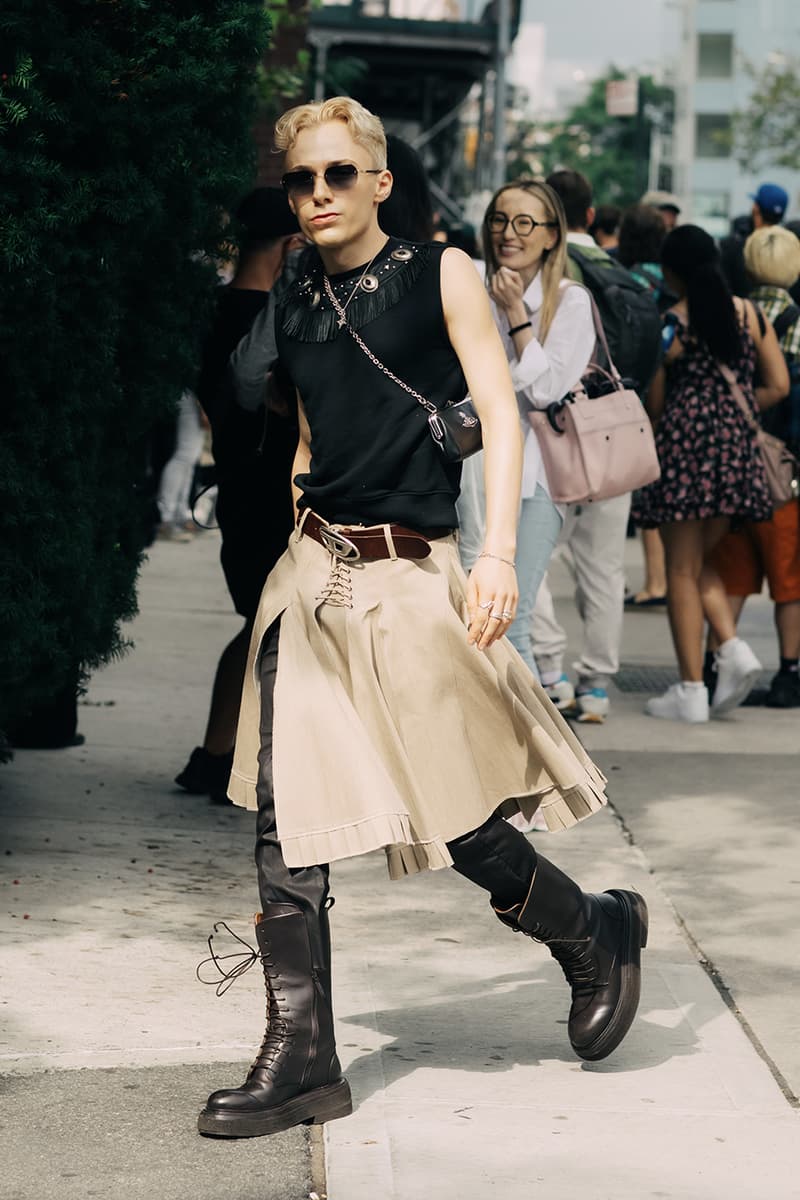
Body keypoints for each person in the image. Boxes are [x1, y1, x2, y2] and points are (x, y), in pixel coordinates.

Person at [196, 97, 648, 1141]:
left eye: (336, 176)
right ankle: (302, 1054)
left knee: (457, 819)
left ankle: (591, 932)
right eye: (301, 180)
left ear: (379, 181)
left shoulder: (438, 271)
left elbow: (497, 408)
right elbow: (298, 415)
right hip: (313, 574)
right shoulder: (298, 285)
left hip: (410, 575)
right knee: (282, 817)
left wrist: (493, 558)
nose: (316, 196)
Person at [174, 189, 304, 800]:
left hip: (241, 490)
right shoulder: (273, 317)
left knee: (259, 626)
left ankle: (215, 755)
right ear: (293, 245)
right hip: (275, 495)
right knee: (271, 630)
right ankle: (232, 763)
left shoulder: (214, 312)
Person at [632, 225, 789, 723]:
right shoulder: (752, 315)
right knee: (699, 563)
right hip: (736, 454)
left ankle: (694, 687)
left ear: (672, 272)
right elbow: (779, 385)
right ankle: (730, 651)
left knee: (680, 569)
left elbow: (655, 404)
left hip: (685, 452)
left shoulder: (672, 323)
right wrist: (730, 412)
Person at [530, 170, 661, 723]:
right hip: (612, 433)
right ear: (589, 216)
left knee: (527, 558)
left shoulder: (550, 276)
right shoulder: (626, 278)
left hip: (553, 433)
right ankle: (598, 685)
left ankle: (550, 668)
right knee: (604, 568)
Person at [458, 180, 596, 678]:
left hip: (535, 479)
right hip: (464, 471)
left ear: (552, 236)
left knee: (511, 623)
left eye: (524, 223)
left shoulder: (569, 301)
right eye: (499, 219)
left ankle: (540, 754)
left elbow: (546, 392)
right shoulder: (468, 280)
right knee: (466, 616)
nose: (508, 233)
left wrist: (516, 312)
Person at [706, 225, 800, 708]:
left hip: (737, 460)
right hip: (785, 468)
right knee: (788, 579)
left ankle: (717, 660)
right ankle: (789, 672)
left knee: (731, 569)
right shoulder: (796, 320)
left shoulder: (736, 314)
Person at [617, 203, 671, 611]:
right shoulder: (667, 280)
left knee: (645, 492)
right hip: (669, 394)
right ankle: (659, 577)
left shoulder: (628, 281)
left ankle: (656, 581)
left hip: (639, 393)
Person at [155, 389, 206, 541]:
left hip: (193, 393)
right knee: (185, 455)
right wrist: (203, 408)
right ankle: (165, 517)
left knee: (190, 458)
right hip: (190, 392)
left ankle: (179, 515)